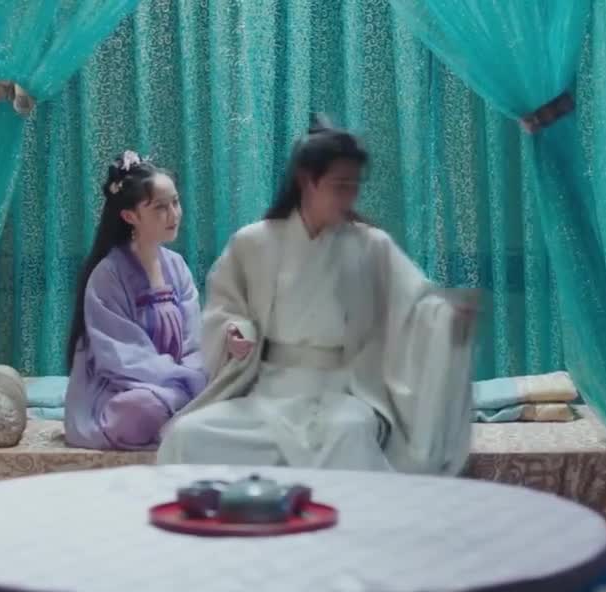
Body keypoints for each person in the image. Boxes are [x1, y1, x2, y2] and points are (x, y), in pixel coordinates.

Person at [156, 116, 478, 474]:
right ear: (308, 181)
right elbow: (225, 310)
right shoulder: (253, 242)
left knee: (349, 430)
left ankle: (342, 512)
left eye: (354, 186)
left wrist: (447, 317)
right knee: (188, 435)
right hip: (268, 392)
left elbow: (417, 305)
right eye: (340, 185)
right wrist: (234, 332)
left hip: (341, 391)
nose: (349, 196)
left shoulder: (371, 246)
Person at [63, 151, 207, 450]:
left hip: (178, 382)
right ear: (130, 216)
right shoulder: (108, 274)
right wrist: (184, 383)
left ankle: (182, 406)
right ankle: (180, 409)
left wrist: (195, 376)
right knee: (142, 409)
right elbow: (121, 356)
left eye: (175, 202)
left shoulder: (177, 266)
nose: (174, 214)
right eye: (160, 208)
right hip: (125, 386)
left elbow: (193, 341)